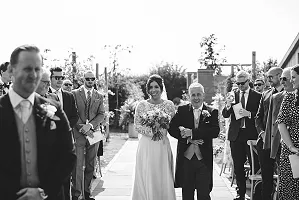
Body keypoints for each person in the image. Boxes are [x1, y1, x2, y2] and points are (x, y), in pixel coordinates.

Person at [0, 44, 76, 200]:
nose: (34, 75)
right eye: (27, 69)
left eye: (37, 69)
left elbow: (68, 155)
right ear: (11, 70)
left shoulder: (54, 109)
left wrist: (45, 191)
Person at [169, 82, 219, 200]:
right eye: (193, 95)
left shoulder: (212, 112)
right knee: (187, 194)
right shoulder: (182, 110)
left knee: (204, 194)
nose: (196, 98)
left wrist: (192, 133)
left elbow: (215, 131)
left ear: (203, 95)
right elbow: (171, 128)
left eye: (198, 94)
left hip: (204, 161)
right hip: (186, 160)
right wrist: (187, 137)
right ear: (189, 96)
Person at [131, 74, 176, 200]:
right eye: (150, 87)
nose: (153, 90)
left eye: (156, 86)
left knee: (162, 173)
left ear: (161, 88)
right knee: (147, 172)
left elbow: (173, 124)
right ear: (147, 89)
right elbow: (137, 126)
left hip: (162, 144)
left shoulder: (169, 105)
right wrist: (153, 131)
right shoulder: (141, 105)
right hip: (146, 145)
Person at [222, 70, 261, 200]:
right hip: (236, 136)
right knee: (238, 166)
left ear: (248, 81)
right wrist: (228, 104)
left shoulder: (258, 96)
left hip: (251, 136)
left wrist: (248, 114)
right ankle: (241, 193)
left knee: (255, 165)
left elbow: (262, 116)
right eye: (237, 83)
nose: (239, 86)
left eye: (242, 83)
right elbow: (225, 114)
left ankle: (256, 193)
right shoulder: (233, 95)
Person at [72, 70, 105, 200]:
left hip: (94, 133)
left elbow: (101, 114)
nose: (90, 81)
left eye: (92, 79)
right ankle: (77, 194)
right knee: (78, 165)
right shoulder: (74, 94)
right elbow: (72, 112)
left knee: (91, 164)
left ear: (94, 80)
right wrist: (82, 127)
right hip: (79, 132)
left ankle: (87, 192)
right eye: (87, 79)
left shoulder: (99, 96)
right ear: (83, 79)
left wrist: (90, 126)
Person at [49, 66, 78, 200]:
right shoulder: (43, 94)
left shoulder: (69, 95)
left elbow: (74, 115)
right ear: (50, 78)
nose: (60, 80)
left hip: (66, 141)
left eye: (61, 77)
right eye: (56, 77)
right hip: (50, 142)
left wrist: (66, 128)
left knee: (66, 175)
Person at [255, 67, 283, 200]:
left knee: (284, 176)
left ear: (280, 75)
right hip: (265, 142)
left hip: (282, 142)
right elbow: (258, 117)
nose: (268, 80)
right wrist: (261, 132)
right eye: (267, 77)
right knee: (266, 177)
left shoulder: (289, 93)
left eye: (271, 77)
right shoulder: (265, 94)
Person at [277, 64, 299, 200]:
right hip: (291, 153)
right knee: (290, 192)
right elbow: (281, 124)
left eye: (294, 77)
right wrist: (291, 147)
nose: (291, 80)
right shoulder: (289, 98)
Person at [265, 67, 294, 163]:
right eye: (280, 79)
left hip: (295, 143)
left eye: (284, 79)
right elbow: (271, 122)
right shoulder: (275, 97)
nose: (281, 82)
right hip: (279, 144)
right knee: (283, 175)